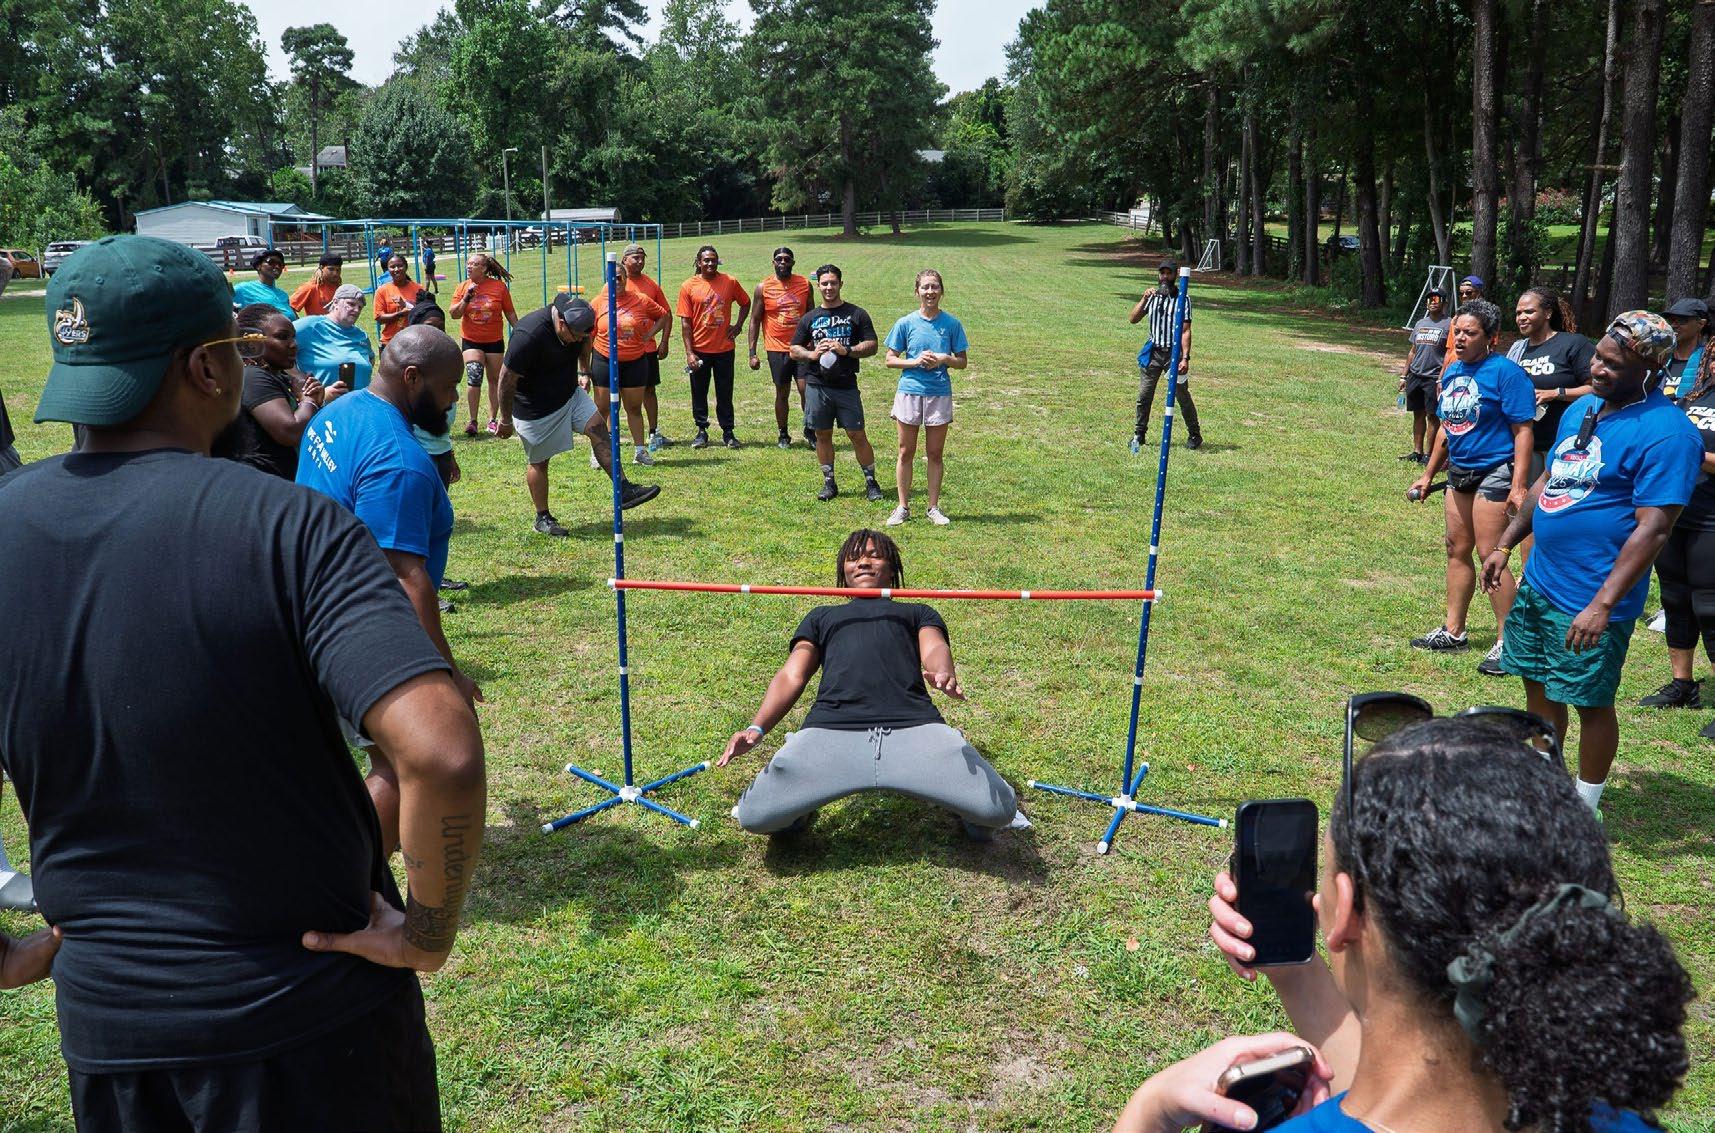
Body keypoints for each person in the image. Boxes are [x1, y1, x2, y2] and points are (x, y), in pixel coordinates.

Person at [2, 235, 484, 1129]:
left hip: (113, 1035)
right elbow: (442, 754)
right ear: (206, 367)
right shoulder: (292, 526)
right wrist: (427, 931)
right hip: (315, 1027)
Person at [1171, 716, 1692, 1133]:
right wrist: (1297, 974)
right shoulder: (1614, 1119)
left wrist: (1150, 1112)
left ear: (1346, 910)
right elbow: (1421, 1089)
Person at [1482, 312, 1704, 815]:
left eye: (1612, 364)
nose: (1597, 370)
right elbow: (1550, 481)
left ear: (1650, 369)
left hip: (1591, 596)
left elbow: (1654, 528)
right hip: (1541, 583)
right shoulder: (1585, 409)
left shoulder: (1668, 435)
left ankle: (1585, 807)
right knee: (1538, 686)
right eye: (1598, 358)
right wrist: (1505, 543)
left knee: (1590, 701)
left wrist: (1603, 605)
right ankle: (1545, 787)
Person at [297, 325, 487, 849]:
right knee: (402, 765)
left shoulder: (338, 411)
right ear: (413, 378)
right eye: (448, 388)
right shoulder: (400, 463)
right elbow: (405, 578)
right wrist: (446, 672)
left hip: (309, 600)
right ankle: (358, 878)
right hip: (361, 628)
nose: (452, 401)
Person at [719, 530, 1019, 839]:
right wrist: (756, 728)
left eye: (874, 556)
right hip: (830, 732)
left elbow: (934, 648)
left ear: (892, 568)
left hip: (915, 729)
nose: (863, 562)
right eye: (854, 558)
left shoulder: (916, 612)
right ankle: (799, 806)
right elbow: (791, 675)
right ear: (843, 571)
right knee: (756, 817)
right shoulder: (821, 617)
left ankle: (960, 790)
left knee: (997, 811)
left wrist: (942, 672)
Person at [1407, 299, 1534, 676]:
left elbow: (1523, 431)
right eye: (1457, 332)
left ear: (1491, 338)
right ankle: (1454, 631)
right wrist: (1428, 474)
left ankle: (1509, 643)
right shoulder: (1452, 371)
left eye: (1469, 333)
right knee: (1456, 548)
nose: (1460, 338)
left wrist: (1518, 485)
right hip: (1460, 470)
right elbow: (1446, 428)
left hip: (1495, 469)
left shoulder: (1506, 373)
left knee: (1490, 553)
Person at [495, 293, 661, 536]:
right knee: (540, 462)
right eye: (576, 334)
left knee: (598, 428)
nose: (580, 339)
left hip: (568, 394)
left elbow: (585, 343)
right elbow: (506, 379)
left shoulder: (579, 329)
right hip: (534, 408)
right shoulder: (528, 335)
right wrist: (505, 419)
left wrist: (584, 372)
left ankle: (624, 490)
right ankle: (542, 518)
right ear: (561, 323)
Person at [1635, 346, 1715, 723]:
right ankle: (1682, 683)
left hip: (1712, 519)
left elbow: (1685, 448)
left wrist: (1690, 454)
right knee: (1674, 597)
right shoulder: (1692, 397)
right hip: (1676, 510)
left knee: (1709, 606)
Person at [789, 264, 886, 502]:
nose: (829, 287)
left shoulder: (856, 314)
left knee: (857, 433)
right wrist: (812, 354)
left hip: (846, 385)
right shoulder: (809, 318)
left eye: (833, 283)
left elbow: (872, 345)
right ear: (818, 286)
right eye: (824, 283)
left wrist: (847, 350)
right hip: (817, 385)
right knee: (822, 434)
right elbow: (793, 349)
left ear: (841, 284)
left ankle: (871, 482)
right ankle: (829, 482)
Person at [884, 268, 967, 527]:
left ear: (942, 291)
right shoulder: (905, 323)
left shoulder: (952, 324)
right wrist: (915, 361)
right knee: (905, 451)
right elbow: (890, 359)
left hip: (938, 393)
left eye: (934, 287)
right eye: (925, 287)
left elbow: (962, 362)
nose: (930, 292)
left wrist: (944, 358)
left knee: (935, 453)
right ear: (917, 291)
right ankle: (902, 507)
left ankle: (933, 507)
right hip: (910, 391)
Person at [218, 303, 324, 479]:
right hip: (260, 483)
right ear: (252, 343)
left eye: (293, 337)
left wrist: (316, 400)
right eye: (282, 337)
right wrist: (309, 401)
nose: (294, 344)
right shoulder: (252, 377)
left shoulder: (279, 377)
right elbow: (289, 432)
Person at [589, 265, 674, 474]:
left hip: (635, 361)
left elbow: (663, 315)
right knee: (603, 409)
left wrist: (649, 335)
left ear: (626, 278)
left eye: (620, 277)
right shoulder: (598, 302)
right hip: (604, 360)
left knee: (634, 408)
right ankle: (598, 453)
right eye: (612, 277)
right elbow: (588, 334)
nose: (616, 281)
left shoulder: (640, 300)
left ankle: (640, 451)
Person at [1505, 287, 1594, 482]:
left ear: (1548, 313)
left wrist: (1555, 393)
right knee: (1523, 496)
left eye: (1529, 311)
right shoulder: (1518, 350)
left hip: (1564, 443)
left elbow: (1596, 388)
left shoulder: (1574, 344)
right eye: (1518, 313)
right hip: (1524, 443)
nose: (1522, 318)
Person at [677, 244, 751, 449]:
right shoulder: (688, 286)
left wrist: (738, 326)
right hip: (700, 349)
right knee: (699, 391)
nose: (710, 263)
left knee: (725, 391)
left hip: (724, 349)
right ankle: (701, 431)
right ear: (698, 262)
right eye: (706, 260)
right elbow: (685, 323)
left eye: (713, 260)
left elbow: (745, 302)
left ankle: (728, 432)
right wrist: (689, 353)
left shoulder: (730, 282)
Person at [1128, 260, 1201, 452]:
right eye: (1162, 273)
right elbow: (1133, 319)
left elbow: (1185, 330)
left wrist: (1185, 358)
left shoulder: (1183, 299)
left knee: (1182, 395)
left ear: (1175, 275)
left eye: (1169, 273)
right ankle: (1139, 434)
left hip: (1173, 355)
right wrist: (1143, 299)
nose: (1165, 277)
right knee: (1144, 395)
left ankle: (1194, 434)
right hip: (1153, 353)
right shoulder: (1151, 297)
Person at [747, 246, 814, 448]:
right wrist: (752, 353)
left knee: (806, 390)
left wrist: (814, 343)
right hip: (776, 348)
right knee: (782, 392)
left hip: (802, 347)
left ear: (793, 262)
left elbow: (812, 315)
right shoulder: (763, 287)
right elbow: (755, 320)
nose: (783, 262)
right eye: (779, 259)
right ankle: (783, 433)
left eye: (787, 259)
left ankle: (810, 430)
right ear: (773, 262)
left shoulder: (805, 284)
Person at [451, 253, 519, 437]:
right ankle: (473, 421)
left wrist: (521, 333)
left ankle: (492, 419)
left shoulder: (499, 287)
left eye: (474, 264)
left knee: (495, 380)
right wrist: (466, 298)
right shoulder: (463, 287)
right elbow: (454, 314)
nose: (469, 266)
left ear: (484, 268)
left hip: (494, 341)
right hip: (471, 340)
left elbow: (510, 313)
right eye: (468, 263)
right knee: (474, 374)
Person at [619, 244, 675, 456]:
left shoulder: (651, 285)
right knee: (619, 393)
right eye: (635, 257)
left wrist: (662, 340)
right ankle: (613, 435)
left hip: (646, 349)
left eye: (642, 257)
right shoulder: (617, 282)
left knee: (649, 390)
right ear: (624, 260)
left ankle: (654, 432)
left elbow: (666, 314)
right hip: (622, 349)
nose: (640, 261)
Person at [1397, 289, 1449, 463]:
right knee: (1417, 414)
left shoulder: (1449, 324)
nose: (1432, 302)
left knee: (1432, 415)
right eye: (1429, 299)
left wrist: (1442, 376)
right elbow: (1412, 351)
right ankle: (1417, 452)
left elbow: (1450, 353)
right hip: (1416, 375)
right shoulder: (1420, 323)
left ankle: (1429, 454)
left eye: (1436, 299)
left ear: (1444, 302)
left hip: (1434, 377)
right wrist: (1404, 375)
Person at [294, 283, 375, 394]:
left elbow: (370, 359)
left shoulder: (361, 335)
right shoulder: (310, 326)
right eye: (351, 304)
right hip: (323, 402)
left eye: (360, 307)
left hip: (360, 402)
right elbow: (277, 347)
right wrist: (299, 379)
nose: (356, 310)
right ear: (335, 302)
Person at [375, 252, 428, 351]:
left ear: (406, 267)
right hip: (390, 342)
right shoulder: (382, 291)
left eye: (400, 266)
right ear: (388, 269)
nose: (396, 269)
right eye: (392, 267)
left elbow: (426, 314)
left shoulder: (419, 289)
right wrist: (400, 314)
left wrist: (407, 306)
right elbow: (379, 318)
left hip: (415, 341)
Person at [1662, 297, 1709, 396]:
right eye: (1671, 320)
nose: (1674, 325)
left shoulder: (1709, 363)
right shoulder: (1660, 360)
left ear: (1701, 324)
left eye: (1681, 320)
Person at [231, 247, 292, 317]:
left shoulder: (283, 295)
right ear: (258, 266)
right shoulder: (243, 289)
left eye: (281, 264)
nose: (277, 266)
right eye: (271, 262)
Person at [289, 253, 343, 317]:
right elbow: (289, 308)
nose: (335, 273)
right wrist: (300, 322)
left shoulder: (340, 288)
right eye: (331, 269)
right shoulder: (310, 288)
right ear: (321, 267)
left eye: (338, 270)